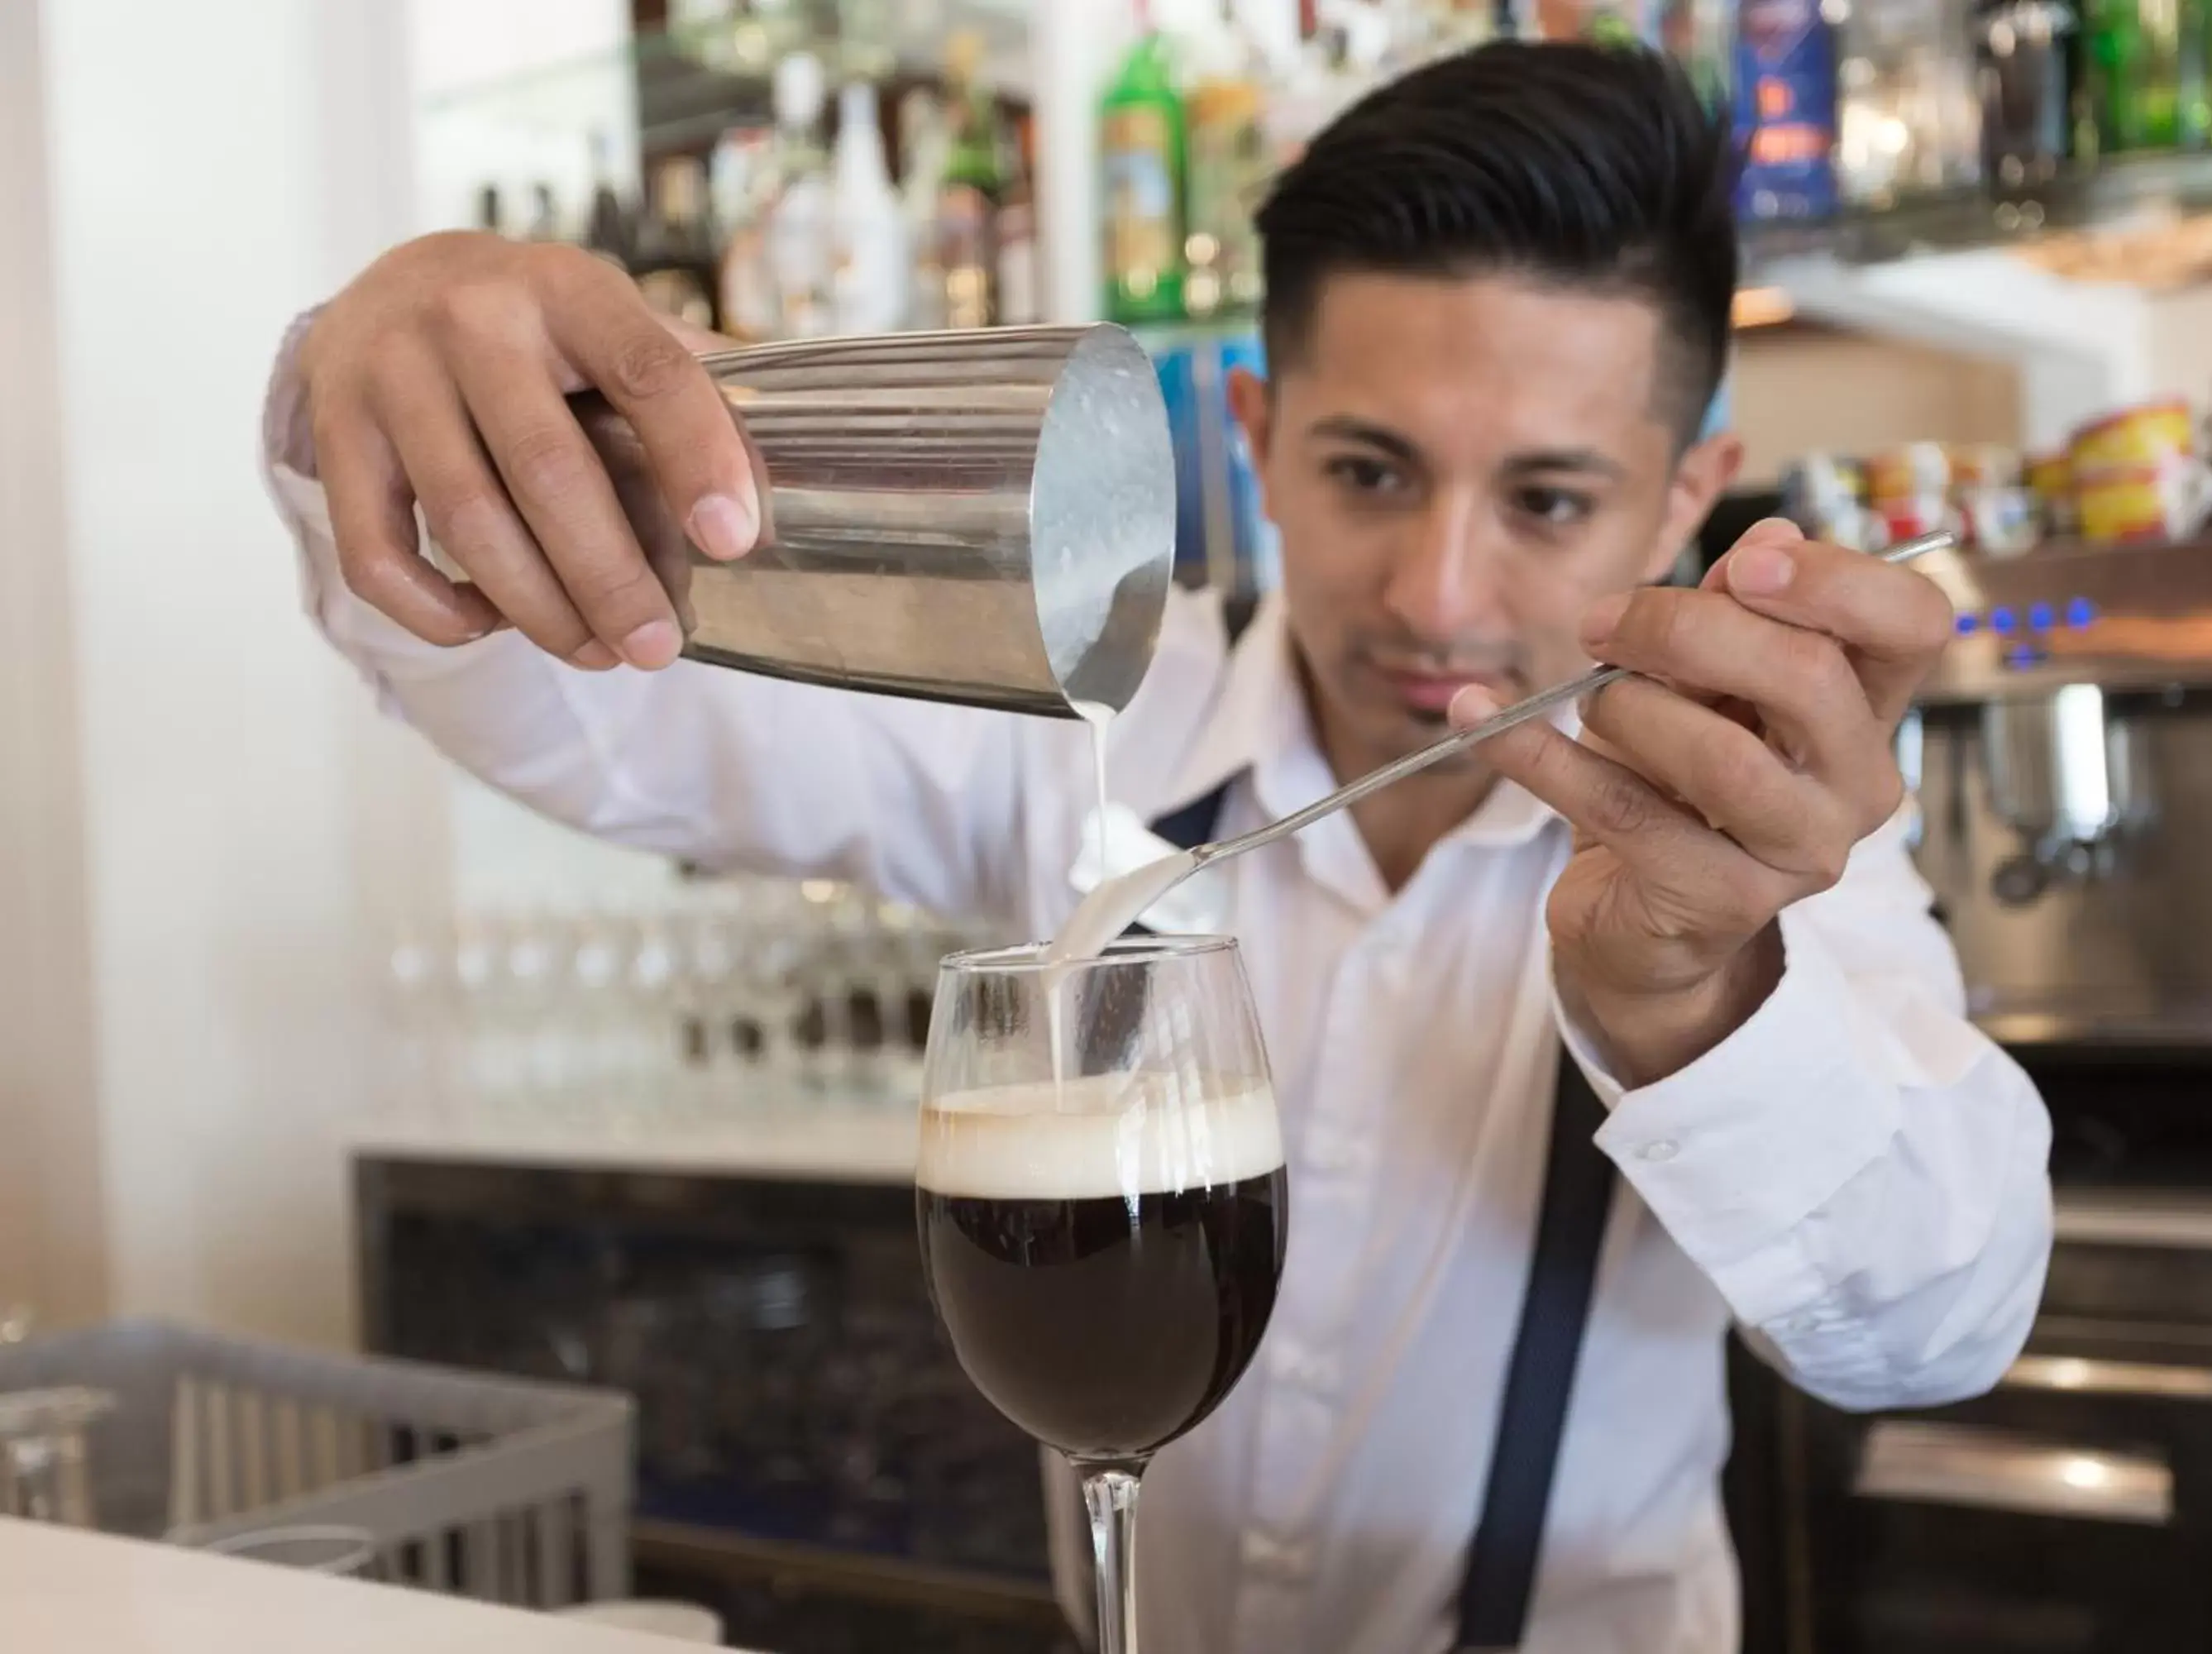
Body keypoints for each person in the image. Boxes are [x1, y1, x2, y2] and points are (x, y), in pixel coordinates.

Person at [265, 41, 2050, 1654]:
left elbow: (1939, 1324)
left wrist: (1690, 999)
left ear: (1689, 486)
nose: (1436, 590)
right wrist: (389, 386)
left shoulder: (1753, 848)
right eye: (1368, 472)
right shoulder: (1085, 725)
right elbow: (564, 710)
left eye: (1550, 500)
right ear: (1256, 442)